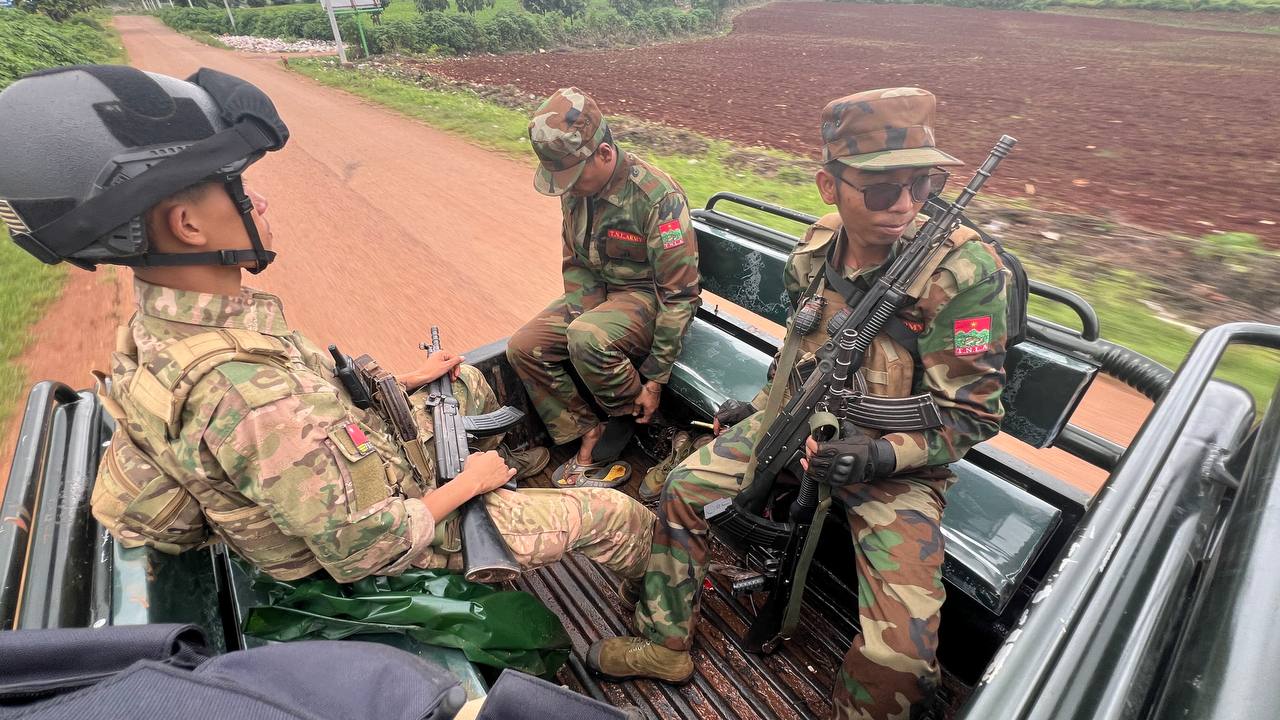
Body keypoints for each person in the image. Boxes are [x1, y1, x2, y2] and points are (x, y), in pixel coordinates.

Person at [0, 65, 655, 585]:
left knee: (474, 390)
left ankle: (523, 478)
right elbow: (364, 549)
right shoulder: (245, 394)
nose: (257, 199)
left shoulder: (175, 328)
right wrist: (468, 485)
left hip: (346, 480)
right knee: (618, 514)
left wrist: (401, 379)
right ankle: (653, 619)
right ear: (187, 225)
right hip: (382, 537)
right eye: (235, 187)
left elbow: (303, 415)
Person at [587, 88, 1011, 720]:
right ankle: (664, 643)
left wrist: (872, 456)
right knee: (683, 487)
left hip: (895, 469)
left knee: (900, 657)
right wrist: (761, 409)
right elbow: (802, 351)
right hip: (792, 423)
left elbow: (972, 416)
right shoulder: (815, 249)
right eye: (880, 190)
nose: (904, 206)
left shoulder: (964, 276)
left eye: (921, 186)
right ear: (829, 185)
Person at [506, 88, 701, 491]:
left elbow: (679, 295)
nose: (570, 189)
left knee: (586, 337)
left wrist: (654, 380)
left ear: (605, 154)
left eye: (575, 177)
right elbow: (575, 262)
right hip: (602, 296)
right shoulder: (578, 191)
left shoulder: (656, 198)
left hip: (647, 298)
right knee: (524, 346)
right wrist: (585, 311)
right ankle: (586, 427)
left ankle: (660, 432)